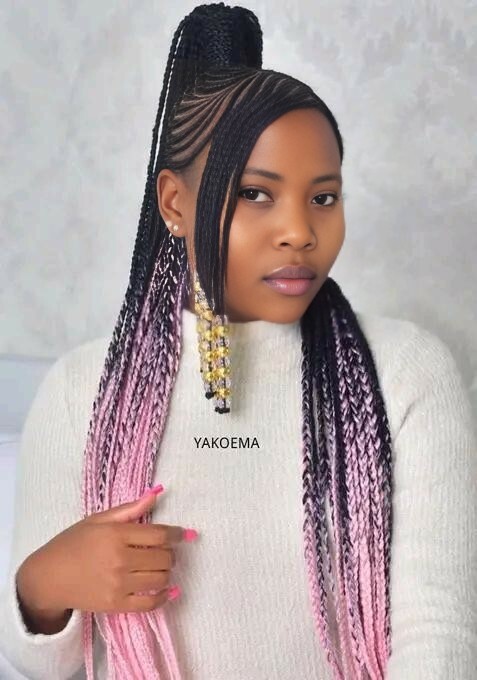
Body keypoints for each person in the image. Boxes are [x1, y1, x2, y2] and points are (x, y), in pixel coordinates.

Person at [1, 3, 476, 679]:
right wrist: (45, 586)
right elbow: (41, 664)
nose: (299, 232)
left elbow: (439, 636)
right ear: (175, 204)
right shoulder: (85, 389)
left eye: (323, 198)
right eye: (256, 194)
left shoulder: (406, 373)